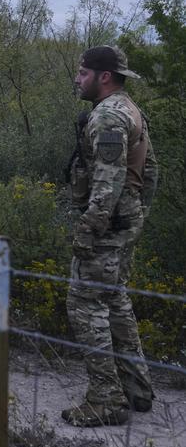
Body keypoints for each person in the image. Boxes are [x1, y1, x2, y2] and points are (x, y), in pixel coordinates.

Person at [62, 46, 157, 427]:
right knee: (114, 301)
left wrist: (88, 230)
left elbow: (108, 181)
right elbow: (150, 171)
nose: (77, 78)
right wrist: (137, 218)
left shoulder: (108, 117)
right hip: (123, 222)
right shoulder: (130, 108)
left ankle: (105, 400)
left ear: (104, 76)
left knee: (85, 304)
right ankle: (137, 389)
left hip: (107, 226)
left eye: (83, 72)